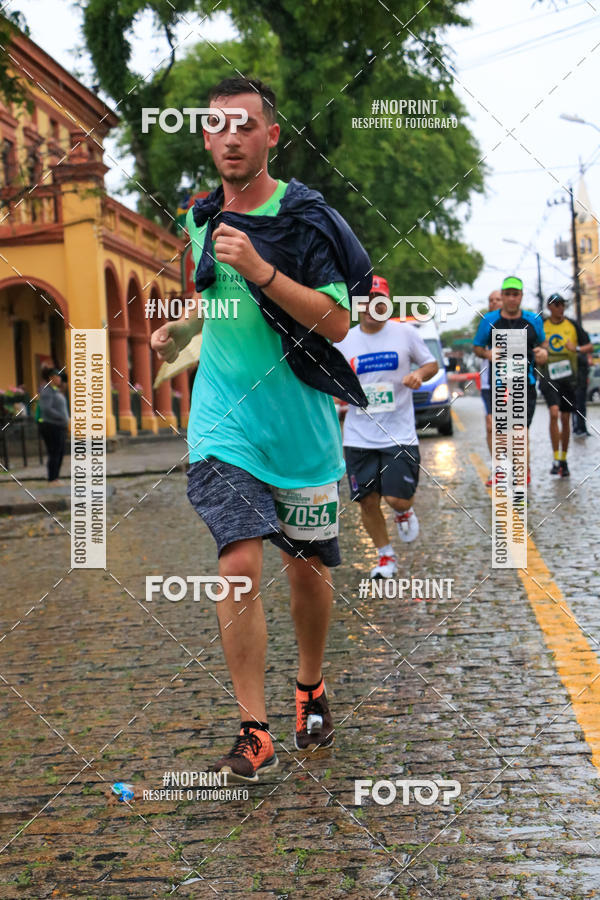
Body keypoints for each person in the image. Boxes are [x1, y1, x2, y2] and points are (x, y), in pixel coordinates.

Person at [150, 77, 372, 783]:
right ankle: (254, 728)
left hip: (300, 426)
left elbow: (337, 322)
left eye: (246, 125)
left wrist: (262, 268)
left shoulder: (304, 219)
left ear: (271, 135)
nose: (232, 138)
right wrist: (182, 330)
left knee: (306, 570)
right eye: (219, 126)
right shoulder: (201, 218)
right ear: (205, 136)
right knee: (238, 562)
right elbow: (218, 299)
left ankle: (310, 683)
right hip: (224, 423)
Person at [336, 276, 438, 578]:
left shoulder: (405, 333)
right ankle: (385, 556)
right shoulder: (343, 339)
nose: (372, 306)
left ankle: (404, 511)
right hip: (358, 436)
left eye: (378, 300)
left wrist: (419, 375)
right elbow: (332, 379)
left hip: (399, 434)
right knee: (367, 501)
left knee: (397, 498)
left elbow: (431, 364)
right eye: (366, 300)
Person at [473, 276, 548, 484]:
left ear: (521, 296)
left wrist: (543, 353)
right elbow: (477, 347)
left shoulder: (533, 320)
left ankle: (522, 474)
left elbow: (543, 344)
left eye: (516, 294)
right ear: (503, 296)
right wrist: (487, 354)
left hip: (526, 384)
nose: (512, 298)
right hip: (500, 386)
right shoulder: (489, 320)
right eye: (508, 294)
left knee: (519, 432)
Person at [538, 293, 592, 476]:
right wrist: (541, 349)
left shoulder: (572, 325)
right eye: (557, 305)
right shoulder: (542, 326)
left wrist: (575, 348)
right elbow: (531, 347)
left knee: (565, 418)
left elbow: (589, 346)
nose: (560, 308)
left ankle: (563, 459)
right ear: (549, 307)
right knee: (554, 413)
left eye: (562, 305)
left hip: (568, 377)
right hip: (548, 376)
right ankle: (555, 458)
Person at [479, 289, 503, 485]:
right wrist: (486, 353)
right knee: (490, 426)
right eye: (490, 300)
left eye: (497, 299)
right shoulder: (485, 322)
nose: (493, 302)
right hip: (488, 382)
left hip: (509, 381)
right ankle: (498, 468)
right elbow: (477, 347)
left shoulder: (514, 323)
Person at [36, 366, 69, 485]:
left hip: (59, 426)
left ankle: (56, 477)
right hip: (51, 426)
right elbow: (47, 409)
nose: (59, 379)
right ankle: (52, 478)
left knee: (60, 452)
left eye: (59, 377)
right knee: (54, 452)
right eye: (57, 376)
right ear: (51, 378)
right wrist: (61, 417)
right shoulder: (47, 391)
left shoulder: (55, 390)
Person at [572, 348, 592, 437]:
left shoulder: (582, 355)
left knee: (582, 407)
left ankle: (582, 428)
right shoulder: (578, 354)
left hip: (582, 384)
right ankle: (577, 428)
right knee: (577, 407)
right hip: (577, 384)